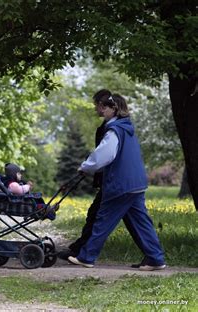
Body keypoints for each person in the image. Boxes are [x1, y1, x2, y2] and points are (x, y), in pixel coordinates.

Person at [68, 94, 166, 271]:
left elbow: (104, 155)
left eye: (104, 107)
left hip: (120, 184)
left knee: (103, 221)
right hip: (136, 183)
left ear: (114, 109)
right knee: (141, 223)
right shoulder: (128, 128)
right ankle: (155, 258)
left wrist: (86, 167)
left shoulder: (114, 130)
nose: (101, 110)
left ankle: (87, 257)